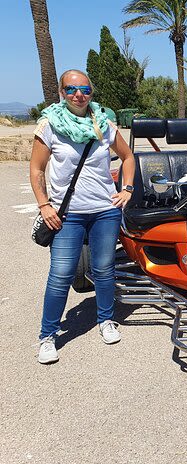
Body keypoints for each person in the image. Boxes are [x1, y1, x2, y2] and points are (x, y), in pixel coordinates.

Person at [30, 69, 136, 364]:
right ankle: (48, 336)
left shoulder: (105, 123)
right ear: (62, 93)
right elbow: (37, 169)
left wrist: (126, 189)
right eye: (72, 89)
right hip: (67, 215)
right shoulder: (50, 125)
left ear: (92, 92)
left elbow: (128, 157)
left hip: (104, 211)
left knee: (103, 269)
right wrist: (44, 205)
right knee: (61, 274)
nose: (79, 94)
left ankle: (106, 320)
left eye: (85, 89)